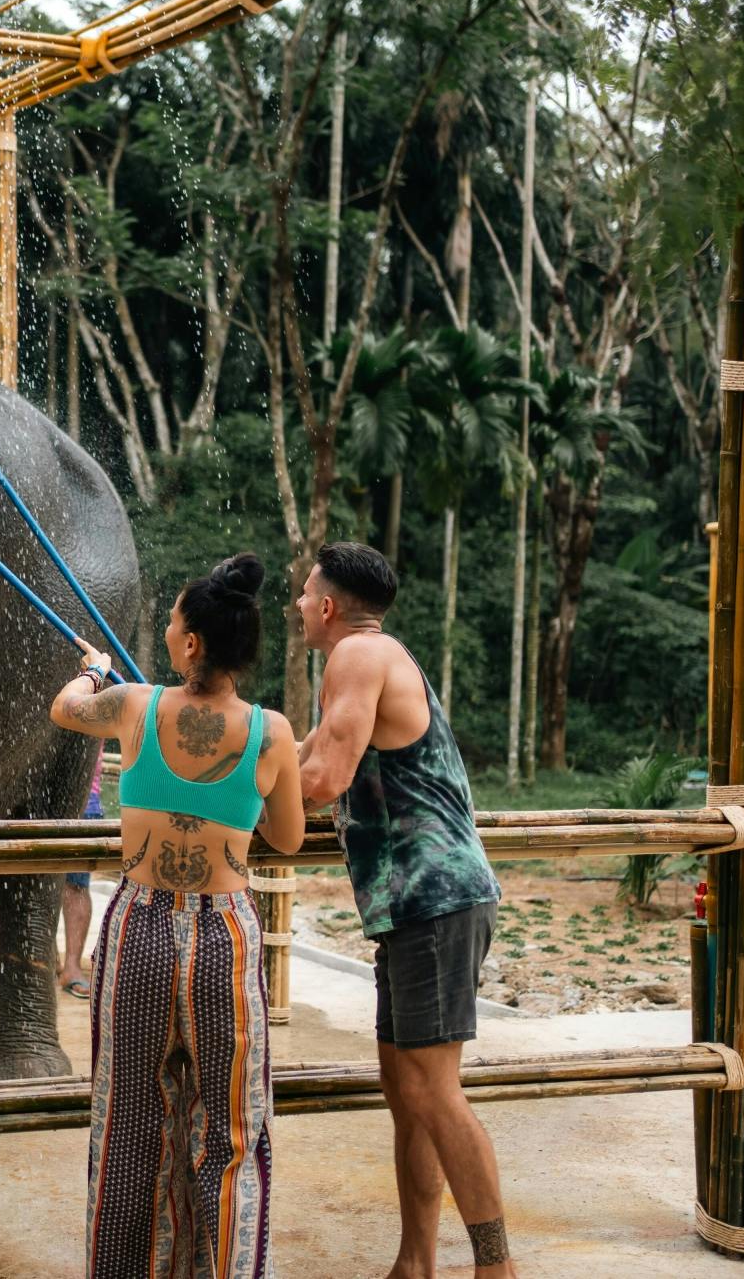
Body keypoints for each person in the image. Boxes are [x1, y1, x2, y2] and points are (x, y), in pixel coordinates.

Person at [50, 552, 305, 1279]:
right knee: (232, 1135)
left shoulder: (135, 704)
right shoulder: (272, 731)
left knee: (129, 1124)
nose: (164, 628)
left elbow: (64, 708)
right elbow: (285, 838)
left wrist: (98, 670)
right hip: (224, 931)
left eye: (172, 621)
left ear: (193, 644)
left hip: (139, 931)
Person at [293, 541, 516, 1279]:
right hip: (415, 908)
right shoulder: (368, 659)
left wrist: (235, 808)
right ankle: (414, 1262)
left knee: (433, 1090)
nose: (296, 606)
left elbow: (321, 779)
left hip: (435, 900)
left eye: (302, 594)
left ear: (327, 606)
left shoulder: (358, 657)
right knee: (406, 1090)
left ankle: (496, 1268)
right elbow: (298, 758)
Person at [57, 747, 106, 999]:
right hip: (41, 797)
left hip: (86, 799)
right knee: (35, 883)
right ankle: (47, 959)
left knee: (76, 886)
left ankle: (72, 967)